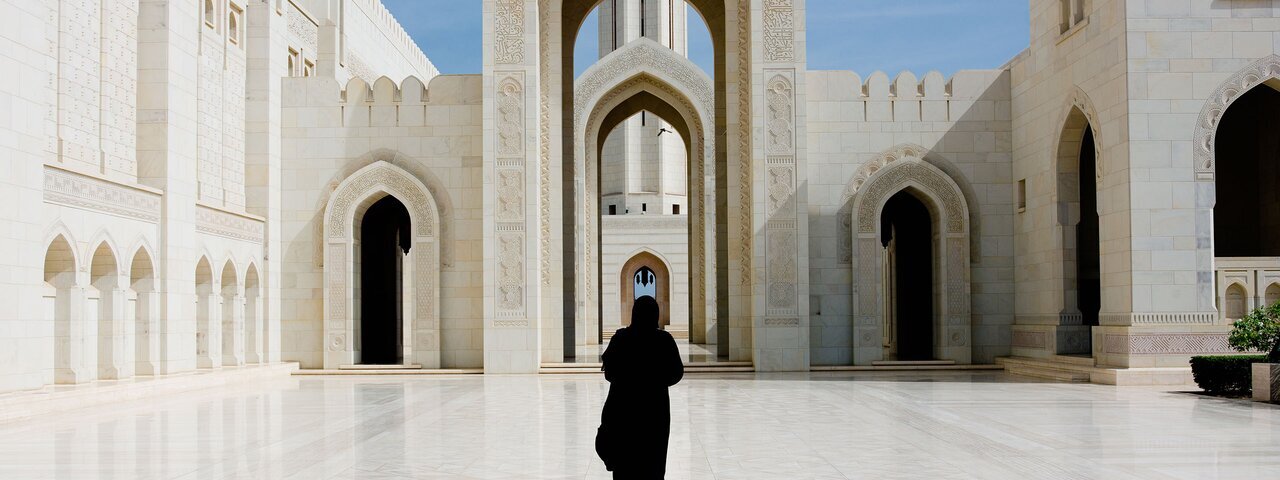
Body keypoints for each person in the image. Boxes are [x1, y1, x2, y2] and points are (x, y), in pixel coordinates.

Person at [596, 296, 684, 479]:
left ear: (634, 314)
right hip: (655, 411)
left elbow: (609, 373)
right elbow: (676, 373)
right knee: (653, 462)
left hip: (624, 410)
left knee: (625, 466)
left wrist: (628, 379)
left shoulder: (621, 338)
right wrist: (654, 380)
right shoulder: (663, 340)